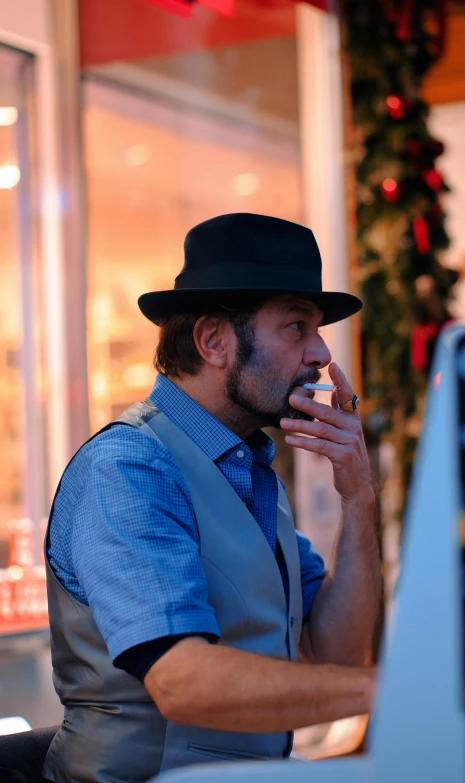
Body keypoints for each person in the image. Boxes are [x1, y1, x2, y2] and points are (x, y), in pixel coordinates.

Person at [42, 213, 381, 783]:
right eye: (297, 325)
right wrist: (400, 690)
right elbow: (180, 680)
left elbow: (333, 654)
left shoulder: (249, 471)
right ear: (213, 341)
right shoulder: (130, 468)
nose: (321, 353)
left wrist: (358, 499)